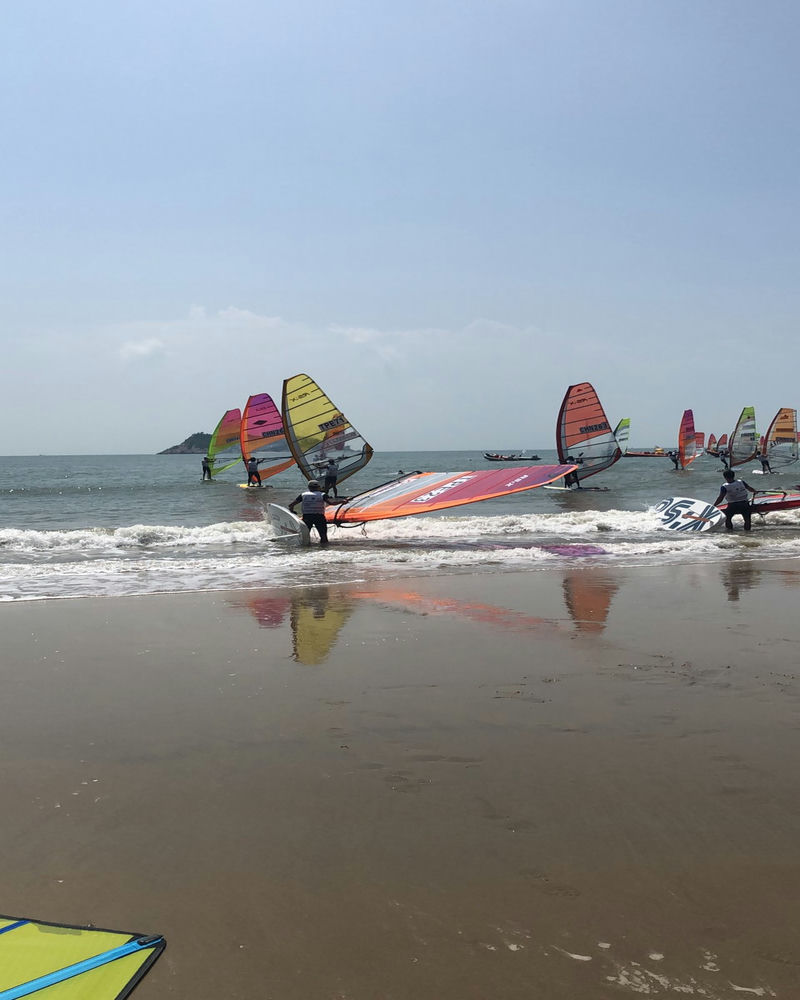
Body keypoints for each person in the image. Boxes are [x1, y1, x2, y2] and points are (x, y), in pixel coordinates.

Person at [289, 480, 336, 546]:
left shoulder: (303, 495)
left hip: (307, 517)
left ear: (309, 487)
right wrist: (343, 501)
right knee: (323, 536)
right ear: (318, 487)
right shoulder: (323, 495)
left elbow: (291, 505)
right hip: (319, 517)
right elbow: (331, 503)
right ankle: (324, 549)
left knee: (305, 536)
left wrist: (292, 512)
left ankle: (305, 548)